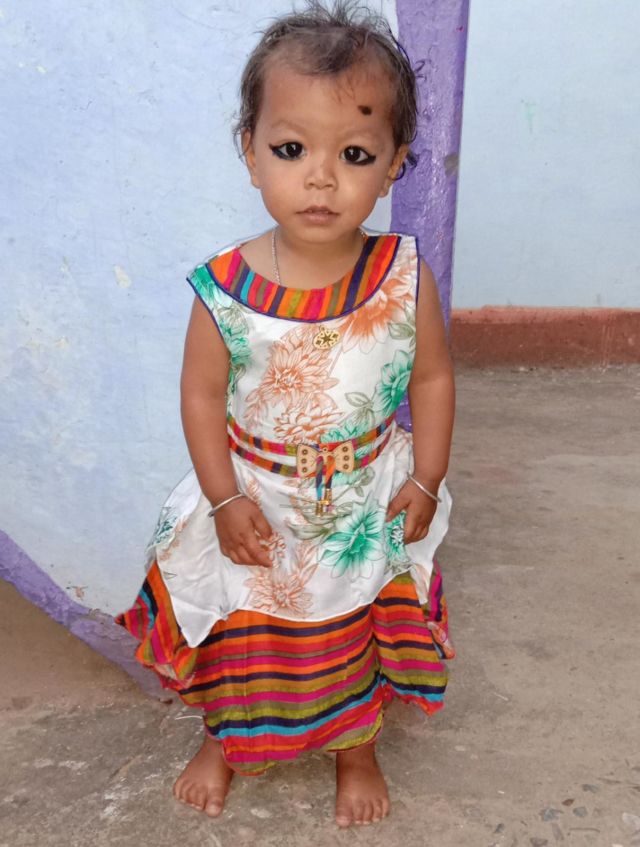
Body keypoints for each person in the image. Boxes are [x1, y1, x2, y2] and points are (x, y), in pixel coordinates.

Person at [116, 0, 455, 828]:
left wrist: (427, 476)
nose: (321, 177)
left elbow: (434, 375)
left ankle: (356, 747)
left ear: (394, 164)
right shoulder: (224, 289)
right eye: (292, 149)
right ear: (250, 151)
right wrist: (224, 498)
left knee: (351, 627)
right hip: (257, 505)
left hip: (360, 505)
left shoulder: (404, 276)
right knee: (244, 632)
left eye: (355, 153)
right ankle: (225, 737)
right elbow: (201, 395)